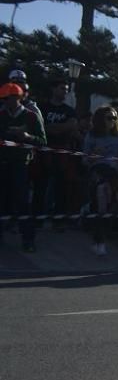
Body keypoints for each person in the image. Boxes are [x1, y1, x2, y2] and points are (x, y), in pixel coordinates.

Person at [0, 82, 47, 252]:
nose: (5, 102)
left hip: (22, 165)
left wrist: (26, 136)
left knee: (23, 203)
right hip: (2, 163)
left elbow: (42, 141)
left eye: (8, 98)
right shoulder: (1, 115)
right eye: (3, 99)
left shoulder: (31, 116)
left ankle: (28, 240)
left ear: (18, 97)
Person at [33, 81, 79, 230]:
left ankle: (57, 221)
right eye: (61, 88)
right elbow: (37, 126)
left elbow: (71, 126)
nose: (64, 92)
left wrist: (51, 128)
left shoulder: (69, 110)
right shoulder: (42, 107)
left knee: (61, 188)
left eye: (66, 89)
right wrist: (57, 128)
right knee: (40, 186)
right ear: (53, 88)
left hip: (61, 152)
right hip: (43, 150)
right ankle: (36, 219)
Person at [82, 106, 118, 256]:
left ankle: (100, 239)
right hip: (98, 171)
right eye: (109, 118)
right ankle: (99, 242)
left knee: (108, 207)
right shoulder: (92, 135)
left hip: (114, 174)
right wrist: (94, 154)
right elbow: (84, 159)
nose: (113, 121)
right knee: (101, 204)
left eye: (115, 118)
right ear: (101, 119)